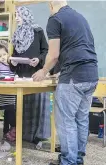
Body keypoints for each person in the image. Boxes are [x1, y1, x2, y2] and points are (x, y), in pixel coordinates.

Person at [32, 1, 98, 165]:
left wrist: (43, 71)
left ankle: (68, 161)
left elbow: (53, 54)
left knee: (66, 121)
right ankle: (77, 159)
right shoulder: (80, 17)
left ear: (51, 4)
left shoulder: (55, 18)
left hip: (74, 78)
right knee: (81, 119)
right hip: (91, 76)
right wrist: (61, 72)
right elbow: (79, 49)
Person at [10, 6, 50, 145]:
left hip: (36, 76)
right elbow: (14, 55)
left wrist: (39, 59)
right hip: (22, 76)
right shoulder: (17, 34)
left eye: (19, 15)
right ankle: (24, 135)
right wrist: (13, 62)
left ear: (26, 15)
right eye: (15, 16)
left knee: (37, 105)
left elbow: (46, 51)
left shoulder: (38, 31)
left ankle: (39, 136)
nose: (17, 18)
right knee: (24, 106)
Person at [0, 42, 16, 142]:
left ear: (8, 54)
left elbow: (15, 74)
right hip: (4, 93)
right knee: (7, 112)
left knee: (10, 112)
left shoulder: (12, 63)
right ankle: (7, 131)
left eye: (4, 54)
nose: (2, 57)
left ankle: (9, 132)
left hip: (13, 93)